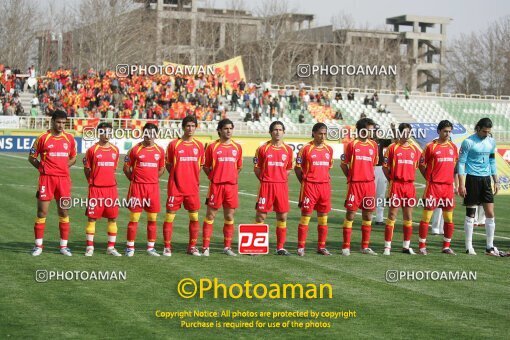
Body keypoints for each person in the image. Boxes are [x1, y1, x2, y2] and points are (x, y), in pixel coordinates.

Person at [28, 110, 77, 256]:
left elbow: (73, 158)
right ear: (52, 121)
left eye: (64, 122)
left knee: (64, 211)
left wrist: (63, 167)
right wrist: (43, 169)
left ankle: (63, 246)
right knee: (42, 212)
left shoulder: (69, 138)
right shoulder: (43, 138)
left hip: (63, 180)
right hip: (46, 179)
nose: (61, 125)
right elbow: (32, 157)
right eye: (58, 122)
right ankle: (38, 246)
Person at [458, 118, 506, 256]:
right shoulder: (468, 142)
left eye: (488, 132)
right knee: (471, 214)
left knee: (490, 214)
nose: (486, 134)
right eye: (484, 131)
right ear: (478, 128)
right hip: (472, 179)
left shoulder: (491, 141)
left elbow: (491, 161)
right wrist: (461, 184)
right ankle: (469, 246)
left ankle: (489, 247)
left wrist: (495, 180)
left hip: (486, 180)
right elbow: (461, 163)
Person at [163, 115, 205, 256]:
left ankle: (192, 247)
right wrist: (178, 176)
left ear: (196, 127)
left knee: (194, 218)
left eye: (193, 126)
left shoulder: (199, 146)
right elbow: (168, 165)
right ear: (183, 127)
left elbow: (199, 166)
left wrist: (190, 178)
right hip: (175, 187)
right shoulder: (174, 145)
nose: (190, 128)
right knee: (170, 217)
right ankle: (167, 247)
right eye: (188, 126)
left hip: (192, 188)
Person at [201, 119, 243, 256]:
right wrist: (214, 177)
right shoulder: (212, 147)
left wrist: (230, 177)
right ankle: (206, 247)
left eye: (231, 128)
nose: (229, 131)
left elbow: (239, 167)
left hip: (231, 187)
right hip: (216, 186)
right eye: (226, 128)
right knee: (210, 215)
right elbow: (206, 167)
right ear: (219, 130)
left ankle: (227, 247)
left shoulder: (237, 147)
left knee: (229, 216)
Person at [123, 123, 165, 257]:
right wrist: (135, 180)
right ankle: (130, 247)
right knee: (134, 218)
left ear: (156, 135)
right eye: (147, 133)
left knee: (152, 218)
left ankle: (150, 248)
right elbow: (126, 168)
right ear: (143, 133)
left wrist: (152, 179)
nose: (149, 136)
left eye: (152, 133)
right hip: (137, 188)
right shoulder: (135, 149)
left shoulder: (160, 151)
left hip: (153, 188)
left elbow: (161, 168)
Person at [418, 120, 458, 255]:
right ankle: (422, 245)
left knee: (449, 219)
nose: (447, 134)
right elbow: (421, 164)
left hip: (447, 187)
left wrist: (456, 185)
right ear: (439, 131)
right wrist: (429, 179)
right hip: (433, 187)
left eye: (449, 131)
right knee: (426, 217)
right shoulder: (430, 146)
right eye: (445, 131)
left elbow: (455, 168)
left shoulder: (453, 147)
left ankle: (446, 246)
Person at [254, 121, 294, 255]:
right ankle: (256, 247)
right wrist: (266, 179)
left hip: (281, 186)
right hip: (266, 185)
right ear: (270, 132)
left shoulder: (288, 150)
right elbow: (257, 168)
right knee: (261, 216)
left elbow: (288, 168)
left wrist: (280, 178)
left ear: (283, 132)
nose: (278, 132)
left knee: (282, 216)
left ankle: (280, 247)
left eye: (280, 129)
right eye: (275, 130)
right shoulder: (263, 148)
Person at [340, 118, 378, 256]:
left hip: (369, 185)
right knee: (350, 213)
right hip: (355, 185)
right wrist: (351, 177)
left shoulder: (373, 145)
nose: (372, 131)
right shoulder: (351, 145)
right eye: (370, 129)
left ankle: (365, 246)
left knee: (368, 215)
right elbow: (343, 164)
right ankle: (346, 246)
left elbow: (373, 164)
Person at [381, 123, 421, 255]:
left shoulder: (415, 150)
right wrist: (392, 180)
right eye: (404, 132)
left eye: (408, 132)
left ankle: (406, 246)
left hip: (409, 186)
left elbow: (415, 167)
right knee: (392, 215)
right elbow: (385, 167)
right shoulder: (392, 148)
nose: (406, 135)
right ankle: (387, 247)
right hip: (396, 185)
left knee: (408, 216)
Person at [82, 122, 121, 256]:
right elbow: (87, 169)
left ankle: (111, 248)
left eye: (109, 132)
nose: (107, 135)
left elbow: (113, 169)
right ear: (99, 133)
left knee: (112, 218)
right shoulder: (92, 150)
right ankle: (90, 247)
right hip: (96, 190)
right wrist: (93, 182)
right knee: (92, 218)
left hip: (111, 189)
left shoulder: (115, 150)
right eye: (104, 132)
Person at [295, 123, 334, 256]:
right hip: (310, 186)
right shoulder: (306, 148)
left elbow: (328, 168)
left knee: (323, 217)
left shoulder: (329, 149)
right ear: (313, 133)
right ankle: (301, 247)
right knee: (306, 216)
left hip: (324, 186)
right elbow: (298, 168)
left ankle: (321, 247)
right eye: (320, 133)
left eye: (324, 134)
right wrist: (305, 183)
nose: (323, 136)